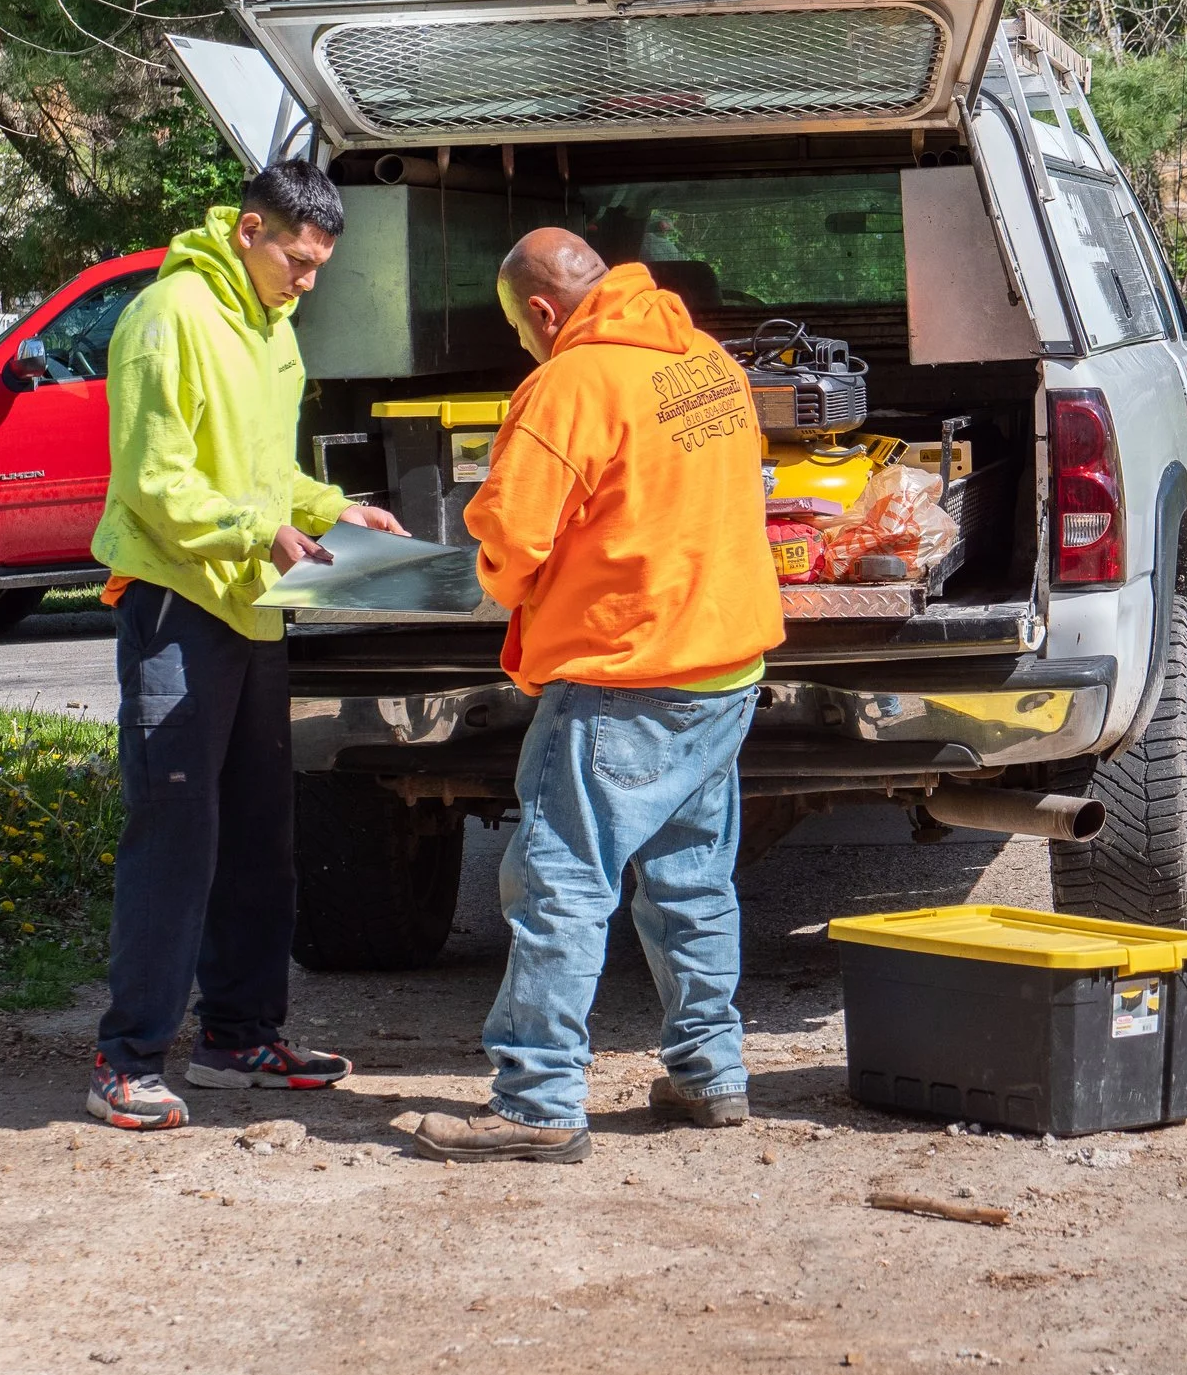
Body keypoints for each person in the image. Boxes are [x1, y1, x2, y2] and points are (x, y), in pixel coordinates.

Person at [415, 230, 783, 1164]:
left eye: (520, 330)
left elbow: (510, 540)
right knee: (690, 877)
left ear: (542, 312)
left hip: (627, 672)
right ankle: (711, 1072)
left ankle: (537, 1100)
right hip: (723, 665)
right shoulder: (703, 358)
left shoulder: (571, 384)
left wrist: (495, 579)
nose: (526, 346)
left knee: (560, 882)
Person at [84, 159, 408, 1130]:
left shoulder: (274, 326)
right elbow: (153, 483)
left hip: (253, 605)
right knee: (174, 831)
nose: (306, 281)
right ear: (248, 230)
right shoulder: (168, 317)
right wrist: (256, 531)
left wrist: (333, 508)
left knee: (262, 834)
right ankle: (125, 1058)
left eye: (319, 268)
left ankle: (238, 1038)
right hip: (178, 602)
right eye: (296, 261)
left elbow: (266, 475)